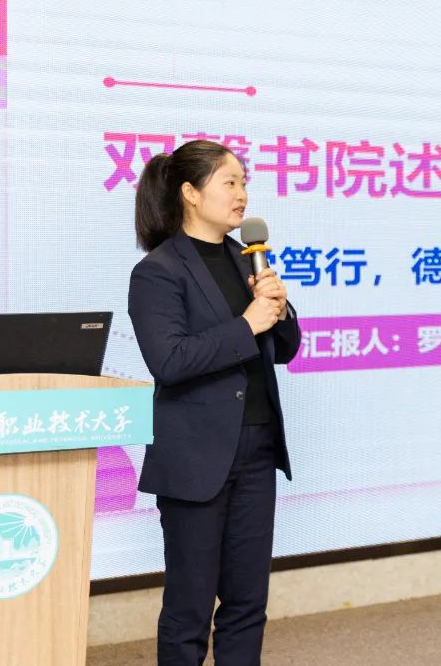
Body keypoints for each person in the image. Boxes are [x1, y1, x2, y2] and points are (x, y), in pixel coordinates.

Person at [127, 139, 300, 666]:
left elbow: (284, 350)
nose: (242, 194)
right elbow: (170, 361)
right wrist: (246, 324)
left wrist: (280, 309)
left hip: (256, 448)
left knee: (247, 601)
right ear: (190, 193)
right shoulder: (158, 271)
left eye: (245, 183)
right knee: (190, 607)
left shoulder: (245, 259)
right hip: (195, 457)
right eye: (230, 182)